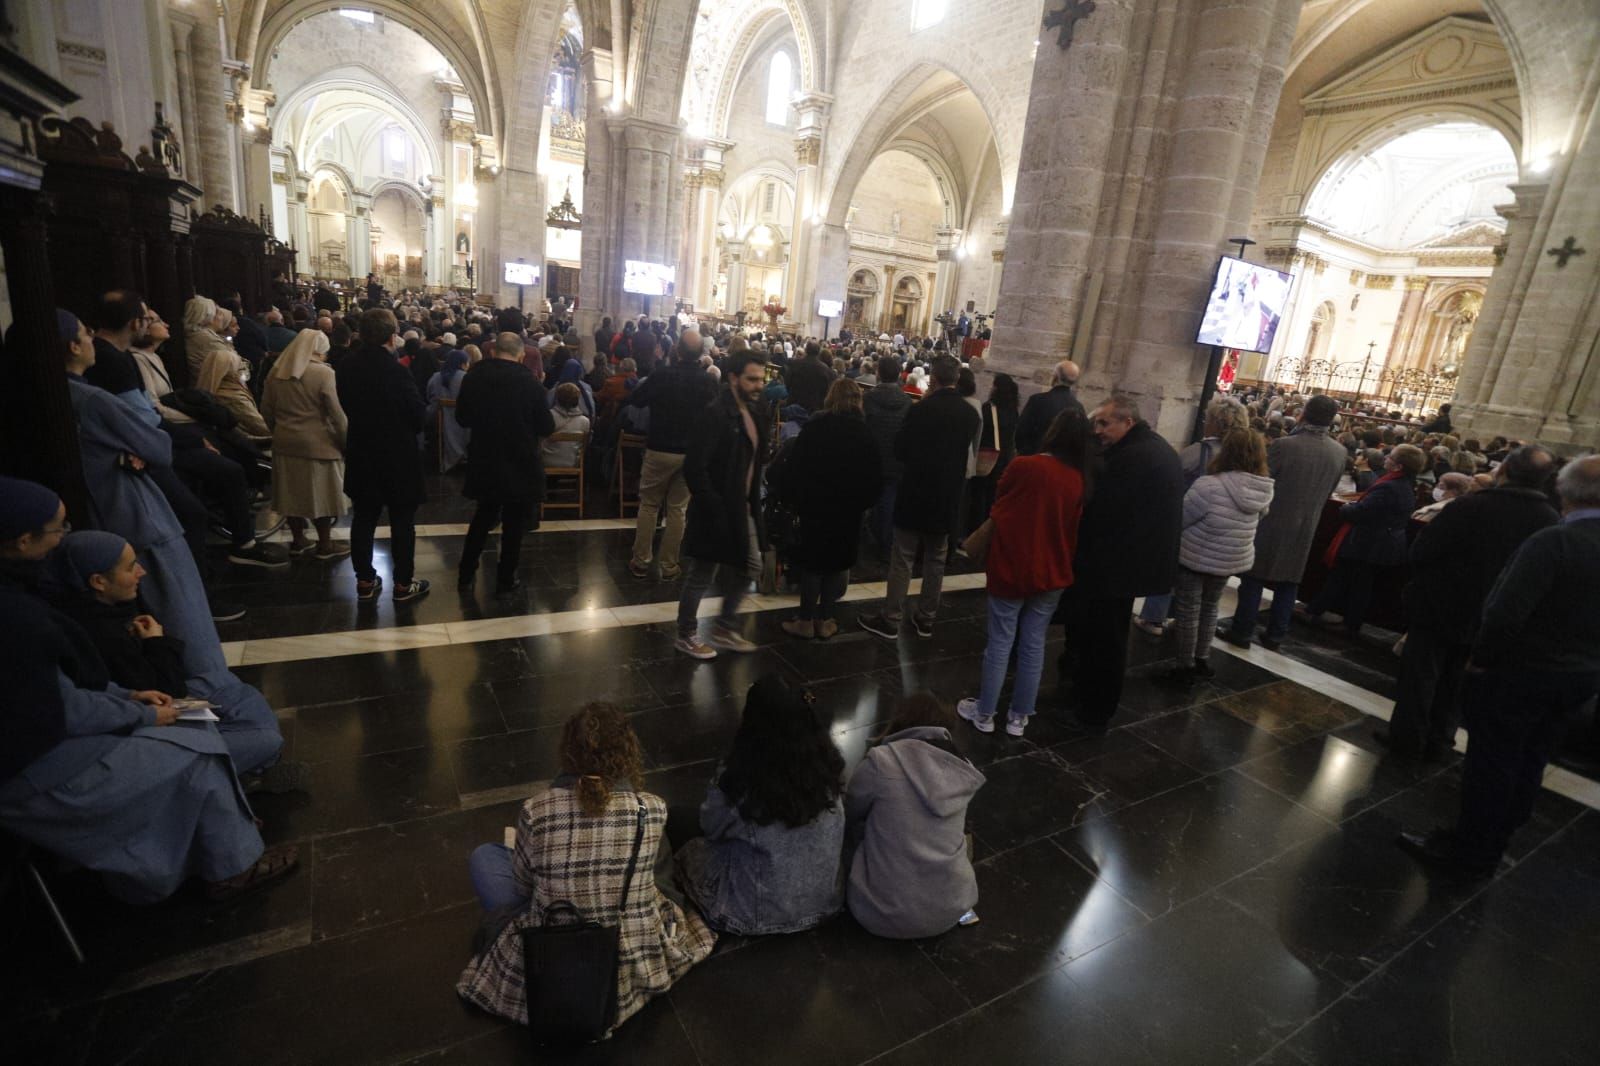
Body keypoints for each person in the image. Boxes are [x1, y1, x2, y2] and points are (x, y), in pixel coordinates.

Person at [0, 478, 298, 903]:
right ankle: (233, 867)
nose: (61, 537)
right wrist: (140, 707)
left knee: (204, 726)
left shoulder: (32, 602)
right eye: (58, 528)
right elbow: (59, 705)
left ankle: (221, 825)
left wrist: (126, 699)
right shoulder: (17, 619)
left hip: (55, 739)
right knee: (200, 753)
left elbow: (64, 689)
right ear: (24, 540)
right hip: (36, 768)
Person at [1398, 455, 1600, 875]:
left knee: (1493, 762)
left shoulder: (1557, 540)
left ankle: (1468, 849)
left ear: (1565, 490)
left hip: (1522, 671)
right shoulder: (1549, 523)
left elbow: (1506, 612)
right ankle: (1495, 841)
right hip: (1580, 676)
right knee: (1531, 760)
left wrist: (1483, 660)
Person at [458, 703, 715, 1030]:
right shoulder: (650, 809)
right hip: (628, 956)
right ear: (628, 751)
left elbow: (523, 889)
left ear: (567, 751)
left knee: (485, 856)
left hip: (551, 953)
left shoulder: (536, 810)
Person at [42, 529, 310, 792]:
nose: (141, 572)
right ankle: (249, 772)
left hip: (149, 699)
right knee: (266, 739)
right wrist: (155, 641)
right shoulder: (98, 633)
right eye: (130, 567)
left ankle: (245, 772)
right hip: (145, 722)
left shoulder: (106, 608)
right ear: (98, 582)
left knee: (232, 687)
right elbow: (166, 690)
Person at [1379, 445, 1560, 762]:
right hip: (1489, 615)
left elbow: (1423, 552)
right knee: (1457, 681)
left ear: (1503, 471)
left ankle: (1407, 739)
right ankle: (1440, 739)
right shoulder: (1550, 521)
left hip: (1440, 605)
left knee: (1420, 675)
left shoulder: (1470, 506)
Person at [672, 675, 846, 934]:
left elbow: (711, 827)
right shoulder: (828, 770)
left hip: (750, 914)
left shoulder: (742, 779)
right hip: (823, 905)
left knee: (677, 824)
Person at [957, 409, 1091, 737]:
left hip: (1014, 565)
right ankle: (1018, 717)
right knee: (1034, 643)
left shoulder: (1026, 466)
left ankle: (985, 713)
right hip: (1053, 569)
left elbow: (1000, 500)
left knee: (1001, 641)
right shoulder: (1079, 478)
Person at [1058, 395, 1184, 732]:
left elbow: (1104, 513)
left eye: (1104, 423)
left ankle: (1095, 711)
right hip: (1131, 560)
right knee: (1105, 635)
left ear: (1127, 422)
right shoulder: (1148, 447)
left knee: (1106, 641)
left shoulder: (1134, 457)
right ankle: (1088, 696)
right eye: (1095, 423)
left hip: (1119, 565)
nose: (1097, 430)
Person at [845, 693, 985, 939]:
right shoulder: (962, 766)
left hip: (878, 914)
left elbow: (851, 811)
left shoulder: (881, 762)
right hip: (949, 912)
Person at [858, 356, 980, 640]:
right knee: (936, 559)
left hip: (916, 492)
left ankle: (891, 619)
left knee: (903, 558)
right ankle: (926, 618)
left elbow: (901, 449)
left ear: (934, 379)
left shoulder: (922, 410)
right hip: (947, 496)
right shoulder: (970, 414)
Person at [1219, 394, 1348, 651]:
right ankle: (1276, 636)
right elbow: (1330, 490)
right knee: (1289, 583)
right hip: (1307, 526)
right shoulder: (1340, 452)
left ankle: (1242, 630)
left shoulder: (1284, 446)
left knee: (1254, 577)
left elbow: (1261, 480)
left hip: (1273, 521)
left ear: (1304, 414)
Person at [675, 352, 770, 659]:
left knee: (751, 566)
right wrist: (713, 505)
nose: (758, 386)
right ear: (733, 378)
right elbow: (695, 467)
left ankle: (724, 627)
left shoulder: (755, 413)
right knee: (702, 573)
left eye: (761, 379)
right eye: (752, 379)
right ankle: (687, 634)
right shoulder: (715, 413)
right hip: (717, 508)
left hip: (742, 507)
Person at [771, 379, 882, 640]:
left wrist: (795, 499)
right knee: (836, 564)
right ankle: (827, 619)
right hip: (848, 512)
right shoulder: (866, 435)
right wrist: (862, 505)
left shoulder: (816, 427)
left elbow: (795, 466)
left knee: (812, 564)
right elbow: (875, 478)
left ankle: (806, 619)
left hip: (815, 508)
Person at [337, 307, 430, 604]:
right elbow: (418, 417)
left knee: (363, 517)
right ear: (392, 337)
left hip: (362, 450)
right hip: (396, 455)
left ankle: (364, 579)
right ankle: (403, 583)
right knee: (402, 519)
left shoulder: (347, 367)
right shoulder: (396, 372)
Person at [1135, 396, 1250, 637]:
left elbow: (1172, 480)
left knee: (1169, 570)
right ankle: (1186, 622)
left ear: (1214, 422)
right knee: (1208, 594)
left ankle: (1153, 618)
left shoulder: (1200, 451)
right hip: (1230, 533)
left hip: (1193, 525)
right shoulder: (1244, 456)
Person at [1167, 427, 1275, 683]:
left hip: (1197, 556)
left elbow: (1181, 519)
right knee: (1210, 608)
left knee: (1189, 610)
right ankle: (1202, 659)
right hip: (1229, 559)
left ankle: (1184, 667)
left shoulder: (1210, 485)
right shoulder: (1263, 488)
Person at [454, 332, 556, 595]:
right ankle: (506, 577)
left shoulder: (473, 377)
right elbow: (546, 425)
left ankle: (466, 572)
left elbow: (463, 418)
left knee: (483, 516)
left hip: (484, 457)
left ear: (491, 351)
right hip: (519, 460)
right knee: (514, 523)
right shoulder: (530, 383)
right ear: (521, 355)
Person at [1299, 443, 1426, 637]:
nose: (1386, 459)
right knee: (1348, 580)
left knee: (1356, 583)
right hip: (1379, 542)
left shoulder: (1389, 487)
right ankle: (1319, 611)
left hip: (1370, 544)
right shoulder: (1403, 484)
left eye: (1390, 457)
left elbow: (1361, 512)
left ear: (1399, 466)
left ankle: (1344, 621)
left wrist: (1346, 508)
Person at [626, 331, 717, 580]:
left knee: (649, 504)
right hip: (690, 454)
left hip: (659, 448)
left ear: (676, 350)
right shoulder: (707, 381)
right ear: (701, 354)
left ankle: (641, 561)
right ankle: (668, 566)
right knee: (678, 509)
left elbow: (636, 400)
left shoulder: (662, 374)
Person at [262, 329, 350, 560]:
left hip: (285, 441)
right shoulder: (323, 373)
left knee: (291, 494)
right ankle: (325, 543)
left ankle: (298, 540)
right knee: (322, 495)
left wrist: (278, 430)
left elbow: (266, 409)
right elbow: (336, 414)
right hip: (319, 442)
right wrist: (345, 440)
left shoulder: (276, 372)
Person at [183, 296, 269, 440]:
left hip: (230, 387)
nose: (220, 317)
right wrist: (243, 368)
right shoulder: (203, 338)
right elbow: (234, 363)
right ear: (206, 315)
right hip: (225, 391)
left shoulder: (208, 336)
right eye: (216, 313)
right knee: (261, 428)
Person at [863, 355, 912, 554]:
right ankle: (885, 544)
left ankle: (866, 538)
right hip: (895, 458)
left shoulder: (868, 397)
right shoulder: (907, 401)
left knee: (866, 498)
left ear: (879, 373)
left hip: (872, 455)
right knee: (888, 502)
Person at [972, 373, 1021, 528]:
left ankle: (973, 529)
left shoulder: (988, 408)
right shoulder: (1014, 410)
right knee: (993, 497)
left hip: (987, 456)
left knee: (978, 496)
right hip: (1004, 458)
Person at [1013, 359, 1084, 456]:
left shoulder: (1037, 400)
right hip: (1062, 464)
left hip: (1034, 458)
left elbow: (1021, 432)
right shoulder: (1078, 407)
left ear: (1055, 377)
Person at [424, 349, 472, 473]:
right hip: (463, 422)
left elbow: (429, 396)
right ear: (462, 364)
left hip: (438, 420)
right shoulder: (467, 378)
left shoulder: (435, 377)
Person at [545, 381, 591, 468]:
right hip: (572, 463)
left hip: (547, 462)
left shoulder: (549, 415)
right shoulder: (585, 421)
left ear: (557, 397)